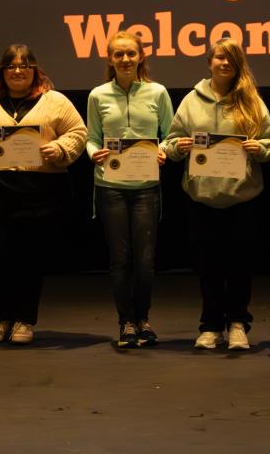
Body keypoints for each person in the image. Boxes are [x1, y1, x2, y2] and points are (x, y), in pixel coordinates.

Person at [0, 44, 87, 345]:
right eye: (11, 66)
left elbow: (78, 132)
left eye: (24, 66)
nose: (17, 71)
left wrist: (61, 148)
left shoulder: (55, 101)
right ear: (2, 72)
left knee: (30, 260)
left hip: (38, 194)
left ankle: (25, 320)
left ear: (34, 71)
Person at [162, 37, 270, 350]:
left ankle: (238, 323)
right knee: (207, 266)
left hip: (242, 198)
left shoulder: (251, 100)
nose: (224, 63)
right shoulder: (191, 100)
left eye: (231, 59)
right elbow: (172, 143)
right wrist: (179, 147)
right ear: (209, 62)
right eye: (219, 58)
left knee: (240, 266)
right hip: (202, 198)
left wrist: (260, 148)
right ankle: (211, 326)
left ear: (238, 64)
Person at [86, 31, 174, 347]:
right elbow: (92, 138)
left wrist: (164, 149)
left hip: (146, 187)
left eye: (131, 54)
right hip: (110, 186)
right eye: (119, 54)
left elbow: (172, 133)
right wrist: (92, 152)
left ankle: (144, 319)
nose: (125, 59)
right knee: (120, 259)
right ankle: (126, 323)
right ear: (110, 59)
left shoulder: (158, 92)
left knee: (145, 262)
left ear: (141, 57)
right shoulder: (97, 95)